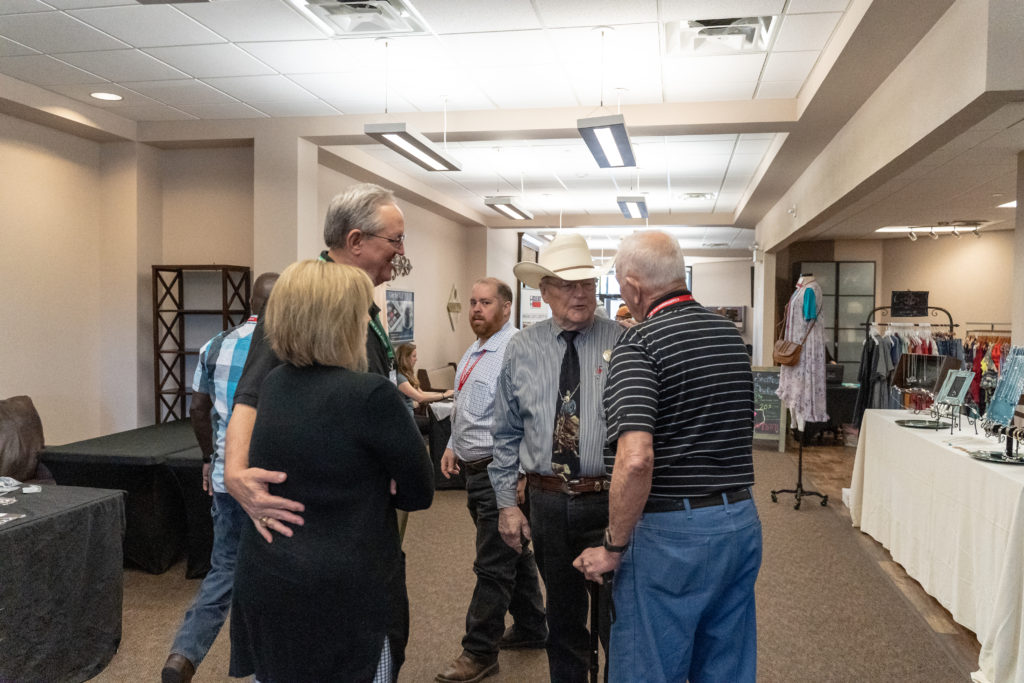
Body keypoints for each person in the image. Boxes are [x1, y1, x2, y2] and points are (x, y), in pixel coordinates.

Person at [224, 182, 417, 676]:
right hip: (325, 539)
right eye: (394, 240)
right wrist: (233, 472)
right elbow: (250, 393)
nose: (401, 252)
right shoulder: (306, 299)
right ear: (356, 241)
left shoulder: (359, 305)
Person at [574, 231, 761, 683]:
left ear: (634, 287)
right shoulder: (728, 335)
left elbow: (636, 459)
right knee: (726, 667)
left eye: (623, 288)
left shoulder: (640, 344)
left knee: (648, 668)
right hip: (739, 522)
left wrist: (613, 546)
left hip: (672, 536)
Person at [489, 233, 623, 682]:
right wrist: (507, 505)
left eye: (587, 283)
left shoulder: (624, 342)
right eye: (567, 285)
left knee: (618, 619)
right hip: (547, 502)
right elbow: (505, 433)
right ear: (544, 292)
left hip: (609, 498)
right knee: (562, 620)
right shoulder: (521, 348)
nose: (580, 294)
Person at [160, 272, 278, 683]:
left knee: (224, 568)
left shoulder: (215, 344)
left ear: (251, 301)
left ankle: (183, 655)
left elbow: (198, 410)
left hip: (228, 476)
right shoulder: (288, 347)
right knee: (277, 574)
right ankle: (267, 665)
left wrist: (209, 458)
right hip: (271, 481)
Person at [436, 278, 547, 683]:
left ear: (506, 307)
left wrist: (520, 476)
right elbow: (466, 408)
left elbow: (532, 418)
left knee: (492, 566)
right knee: (512, 552)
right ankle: (533, 627)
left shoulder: (516, 350)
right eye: (472, 302)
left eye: (485, 302)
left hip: (500, 476)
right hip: (474, 472)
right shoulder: (475, 350)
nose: (476, 309)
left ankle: (479, 652)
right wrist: (452, 444)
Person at [395, 342, 453, 415]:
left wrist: (444, 394)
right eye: (414, 356)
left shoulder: (408, 374)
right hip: (406, 417)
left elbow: (421, 393)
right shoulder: (400, 378)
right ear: (405, 358)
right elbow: (420, 398)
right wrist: (444, 395)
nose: (416, 359)